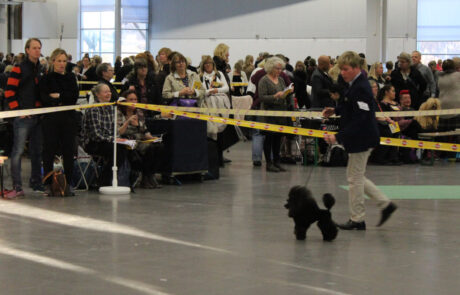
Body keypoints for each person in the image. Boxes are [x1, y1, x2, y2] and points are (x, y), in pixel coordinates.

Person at [322, 51, 397, 230]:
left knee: (354, 178)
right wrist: (335, 109)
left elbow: (361, 118)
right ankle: (385, 205)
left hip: (362, 138)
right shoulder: (354, 84)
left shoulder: (361, 87)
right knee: (356, 177)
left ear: (356, 68)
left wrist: (338, 136)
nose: (342, 73)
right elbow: (350, 105)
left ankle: (358, 218)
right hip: (359, 137)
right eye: (341, 69)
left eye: (346, 69)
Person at [4, 38, 45, 199]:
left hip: (38, 116)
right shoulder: (18, 68)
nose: (37, 50)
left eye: (39, 48)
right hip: (22, 117)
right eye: (34, 48)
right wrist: (18, 110)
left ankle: (36, 183)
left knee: (37, 152)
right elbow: (9, 92)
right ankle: (17, 186)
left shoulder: (42, 69)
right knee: (18, 151)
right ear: (27, 50)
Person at [39, 48, 79, 195]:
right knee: (48, 152)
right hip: (51, 120)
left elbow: (73, 97)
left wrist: (59, 96)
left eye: (64, 61)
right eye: (59, 61)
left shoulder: (70, 78)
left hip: (68, 119)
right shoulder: (46, 78)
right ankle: (48, 184)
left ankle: (68, 184)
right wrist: (60, 98)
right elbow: (45, 98)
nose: (62, 64)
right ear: (53, 61)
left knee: (69, 151)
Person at [82, 83, 127, 186]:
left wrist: (117, 139)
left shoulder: (111, 107)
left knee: (123, 148)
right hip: (93, 142)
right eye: (105, 92)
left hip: (108, 140)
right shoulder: (93, 109)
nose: (109, 94)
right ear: (98, 95)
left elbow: (114, 130)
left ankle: (113, 179)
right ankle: (104, 180)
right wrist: (113, 139)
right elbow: (96, 135)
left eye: (109, 91)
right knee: (117, 151)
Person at [118, 90, 162, 189]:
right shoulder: (119, 112)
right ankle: (145, 178)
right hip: (127, 140)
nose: (134, 101)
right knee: (149, 149)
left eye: (135, 99)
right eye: (131, 99)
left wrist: (152, 138)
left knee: (159, 146)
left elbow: (144, 130)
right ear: (125, 101)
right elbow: (119, 132)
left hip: (140, 139)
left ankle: (150, 175)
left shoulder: (139, 112)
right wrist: (128, 122)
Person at [258, 57, 291, 172]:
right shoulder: (264, 80)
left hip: (280, 113)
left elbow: (283, 93)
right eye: (277, 68)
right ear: (271, 68)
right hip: (268, 114)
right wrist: (275, 96)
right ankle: (269, 163)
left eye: (281, 69)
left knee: (278, 138)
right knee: (269, 138)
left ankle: (277, 161)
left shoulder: (281, 79)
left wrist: (287, 93)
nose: (280, 71)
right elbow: (261, 97)